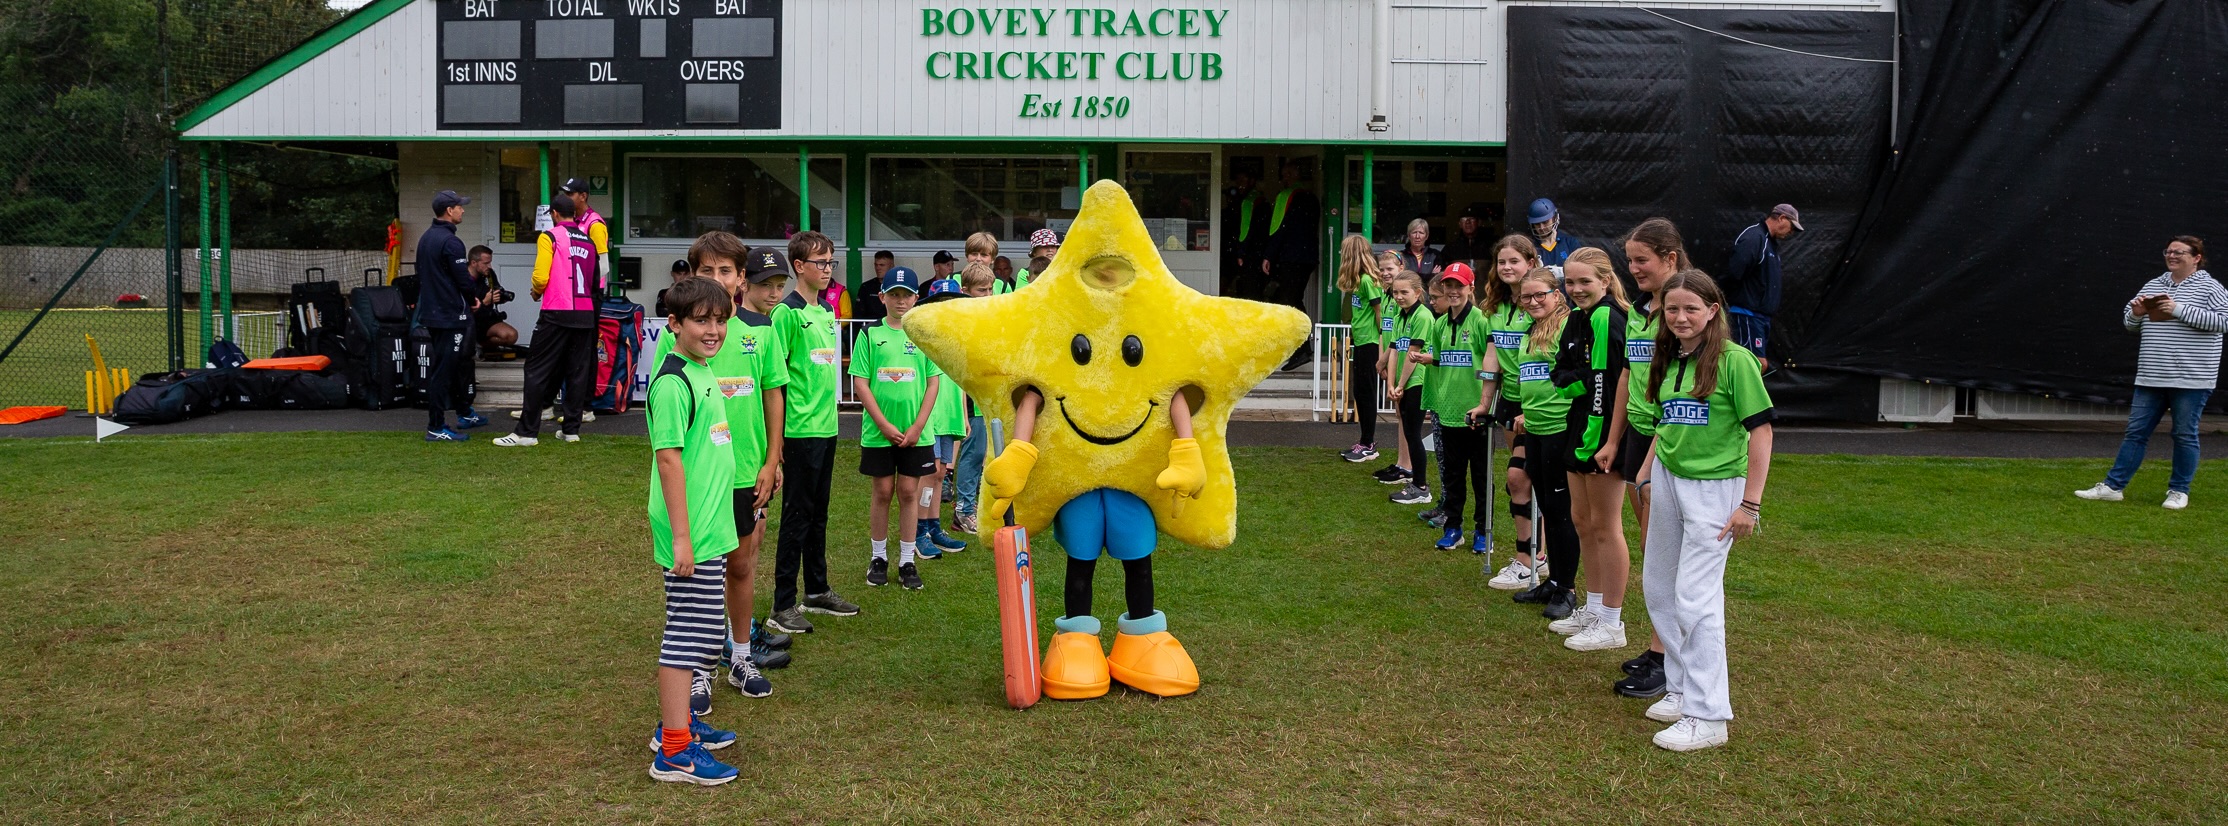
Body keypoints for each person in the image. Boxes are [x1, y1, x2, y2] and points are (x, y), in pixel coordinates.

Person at [650, 235, 795, 710]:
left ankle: (740, 654)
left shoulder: (760, 332)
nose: (717, 281)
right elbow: (666, 428)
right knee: (698, 577)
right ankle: (698, 667)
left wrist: (772, 459)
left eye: (726, 272)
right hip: (701, 479)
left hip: (747, 474)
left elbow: (774, 394)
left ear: (740, 278)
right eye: (706, 272)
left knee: (741, 566)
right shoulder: (680, 341)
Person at [1636, 270, 1776, 753]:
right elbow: (1666, 422)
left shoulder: (1735, 362)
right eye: (1672, 309)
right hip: (1672, 481)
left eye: (1691, 309)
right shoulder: (1669, 355)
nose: (1680, 318)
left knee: (1695, 597)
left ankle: (1709, 715)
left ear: (1713, 310)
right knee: (1658, 585)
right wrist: (1649, 472)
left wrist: (1749, 506)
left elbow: (1762, 432)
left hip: (1717, 489)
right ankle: (1681, 688)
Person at [643, 276, 743, 786]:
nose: (713, 330)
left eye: (720, 319)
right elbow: (669, 460)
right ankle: (675, 753)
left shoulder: (702, 370)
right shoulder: (672, 381)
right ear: (675, 324)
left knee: (701, 632)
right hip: (692, 533)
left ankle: (678, 727)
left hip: (710, 525)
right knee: (686, 637)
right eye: (701, 320)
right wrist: (682, 538)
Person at [2076, 236, 2228, 510]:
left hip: (2191, 378)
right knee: (2135, 433)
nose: (2172, 256)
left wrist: (2178, 309)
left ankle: (2179, 491)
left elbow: (2224, 321)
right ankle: (2113, 487)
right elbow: (2130, 323)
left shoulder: (2211, 287)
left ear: (2196, 258)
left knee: (2184, 434)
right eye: (2168, 251)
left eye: (2179, 252)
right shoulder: (2154, 284)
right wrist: (2135, 313)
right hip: (2151, 375)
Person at [767, 231, 861, 636]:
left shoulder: (825, 311)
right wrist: (778, 439)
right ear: (799, 267)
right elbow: (776, 378)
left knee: (818, 512)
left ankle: (817, 590)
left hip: (826, 427)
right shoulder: (786, 314)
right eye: (820, 263)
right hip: (799, 430)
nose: (827, 270)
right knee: (796, 515)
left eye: (830, 262)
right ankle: (782, 603)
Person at [1612, 218, 1692, 698]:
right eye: (1630, 260)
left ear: (1670, 259)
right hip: (1640, 434)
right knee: (1652, 549)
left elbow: (1683, 391)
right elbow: (1629, 374)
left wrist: (1649, 457)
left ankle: (1670, 658)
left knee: (1666, 554)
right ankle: (1659, 645)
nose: (1633, 268)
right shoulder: (1642, 310)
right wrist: (1614, 439)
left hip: (1669, 441)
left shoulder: (1684, 311)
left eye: (1642, 260)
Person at [1548, 247, 1632, 650]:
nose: (1576, 289)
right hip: (1578, 428)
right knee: (1582, 521)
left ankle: (1612, 622)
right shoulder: (1577, 319)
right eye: (1570, 282)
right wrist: (1572, 379)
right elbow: (1558, 372)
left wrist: (1603, 442)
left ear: (1605, 280)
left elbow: (1606, 383)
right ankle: (1594, 608)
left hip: (1599, 436)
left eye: (1585, 281)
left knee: (1605, 526)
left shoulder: (1606, 317)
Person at [850, 266, 942, 591]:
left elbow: (933, 383)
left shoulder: (924, 335)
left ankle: (907, 559)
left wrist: (918, 426)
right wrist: (884, 424)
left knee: (908, 492)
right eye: (894, 295)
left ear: (917, 298)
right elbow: (861, 382)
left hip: (916, 433)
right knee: (883, 491)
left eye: (906, 295)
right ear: (882, 297)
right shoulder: (870, 334)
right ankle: (878, 557)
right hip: (879, 432)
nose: (900, 301)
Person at [495, 194, 602, 446]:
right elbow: (596, 280)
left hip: (557, 310)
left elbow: (541, 277)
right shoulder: (588, 240)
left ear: (554, 214)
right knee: (576, 372)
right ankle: (571, 430)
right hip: (584, 312)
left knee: (536, 369)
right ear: (573, 215)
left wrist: (535, 291)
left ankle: (526, 433)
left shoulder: (550, 236)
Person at [1508, 267, 1582, 620]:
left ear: (1557, 295)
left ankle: (1567, 588)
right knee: (1548, 510)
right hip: (1535, 428)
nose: (1534, 301)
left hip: (1559, 428)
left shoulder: (1567, 327)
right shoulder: (1531, 329)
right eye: (1527, 296)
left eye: (1541, 295)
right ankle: (1554, 580)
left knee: (1559, 509)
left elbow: (1575, 378)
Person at [1411, 265, 1495, 551]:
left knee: (1481, 477)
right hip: (1448, 412)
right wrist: (1432, 397)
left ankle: (1484, 532)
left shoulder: (1483, 321)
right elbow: (1439, 360)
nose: (1453, 291)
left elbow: (1490, 362)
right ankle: (1453, 528)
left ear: (1471, 287)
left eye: (1459, 285)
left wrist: (1485, 401)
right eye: (1449, 286)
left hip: (1476, 412)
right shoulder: (1440, 324)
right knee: (1453, 475)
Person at [1475, 235, 1542, 591]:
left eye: (1514, 261)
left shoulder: (1540, 303)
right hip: (1510, 401)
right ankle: (1536, 555)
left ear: (1531, 262)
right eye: (1502, 262)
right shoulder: (1496, 307)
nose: (1507, 268)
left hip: (1539, 403)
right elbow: (1492, 357)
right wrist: (1485, 402)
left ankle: (1527, 558)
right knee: (1524, 480)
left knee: (1519, 478)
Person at [414, 190, 488, 441]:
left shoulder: (426, 238)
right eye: (460, 206)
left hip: (434, 312)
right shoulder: (451, 242)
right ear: (449, 210)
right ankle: (436, 427)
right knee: (444, 371)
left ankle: (465, 412)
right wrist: (473, 299)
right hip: (449, 315)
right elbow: (462, 280)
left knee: (454, 366)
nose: (463, 210)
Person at [916, 273, 976, 550]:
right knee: (928, 473)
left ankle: (934, 526)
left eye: (952, 301)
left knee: (941, 473)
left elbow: (961, 382)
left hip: (951, 414)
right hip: (932, 414)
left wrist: (963, 415)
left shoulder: (958, 338)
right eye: (941, 302)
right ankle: (919, 530)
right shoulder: (924, 339)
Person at [945, 263, 997, 535]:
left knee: (981, 454)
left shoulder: (988, 316)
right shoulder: (961, 320)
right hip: (969, 398)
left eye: (990, 289)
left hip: (987, 396)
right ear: (965, 291)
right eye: (981, 290)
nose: (987, 294)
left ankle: (973, 506)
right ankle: (963, 510)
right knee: (973, 453)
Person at [1720, 204, 1800, 366]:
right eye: (1792, 227)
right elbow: (1734, 273)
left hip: (1760, 317)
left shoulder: (1770, 243)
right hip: (1747, 315)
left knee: (1751, 363)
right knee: (1755, 363)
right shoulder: (1754, 238)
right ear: (1782, 218)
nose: (1791, 232)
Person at [1263, 159, 1321, 370]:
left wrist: (1268, 254)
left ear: (1297, 175)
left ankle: (1302, 347)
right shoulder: (1312, 197)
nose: (1285, 178)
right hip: (1306, 258)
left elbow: (1279, 228)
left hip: (1291, 258)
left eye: (1289, 173)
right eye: (1284, 173)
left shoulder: (1286, 197)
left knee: (1290, 301)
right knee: (1292, 299)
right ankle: (1299, 347)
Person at [1382, 269, 1433, 507]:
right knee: (1409, 432)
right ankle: (1416, 482)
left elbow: (1413, 354)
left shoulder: (1422, 316)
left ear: (1418, 293)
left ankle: (1421, 486)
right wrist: (1391, 384)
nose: (1399, 297)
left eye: (1404, 292)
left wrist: (1400, 385)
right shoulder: (1400, 316)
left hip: (1418, 380)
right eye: (1395, 292)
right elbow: (1394, 350)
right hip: (1404, 382)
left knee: (1413, 433)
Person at [1335, 235, 1387, 464]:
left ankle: (1368, 444)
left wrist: (1383, 346)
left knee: (1366, 392)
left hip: (1370, 343)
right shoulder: (1358, 282)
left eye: (1343, 252)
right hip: (1361, 340)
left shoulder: (1367, 281)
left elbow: (1379, 312)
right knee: (1360, 392)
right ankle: (1364, 441)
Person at [1223, 168, 1266, 299]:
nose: (1239, 184)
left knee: (1250, 292)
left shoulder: (1249, 201)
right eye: (1238, 181)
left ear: (1252, 181)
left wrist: (1241, 252)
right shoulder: (1257, 199)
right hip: (1255, 254)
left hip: (1250, 255)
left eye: (1243, 180)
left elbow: (1244, 230)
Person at [467, 246, 517, 351]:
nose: (489, 266)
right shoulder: (461, 277)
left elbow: (497, 289)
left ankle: (481, 345)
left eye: (490, 262)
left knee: (511, 335)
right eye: (485, 263)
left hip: (486, 318)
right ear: (473, 263)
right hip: (467, 320)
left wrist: (501, 297)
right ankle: (470, 345)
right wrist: (484, 302)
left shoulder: (489, 274)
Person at [1526, 198, 1584, 269]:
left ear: (1554, 218)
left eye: (1545, 222)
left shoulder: (1570, 243)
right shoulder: (1529, 246)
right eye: (1537, 224)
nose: (1541, 227)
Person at [1438, 207, 1492, 272]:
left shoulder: (1489, 247)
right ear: (1459, 224)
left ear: (1479, 222)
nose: (1468, 222)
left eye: (1472, 218)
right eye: (1464, 219)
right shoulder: (1450, 248)